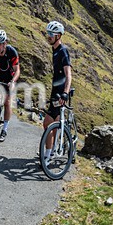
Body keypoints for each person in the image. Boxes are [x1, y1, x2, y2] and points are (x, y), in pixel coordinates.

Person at [42, 20, 72, 160]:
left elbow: (68, 75)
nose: (48, 36)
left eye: (51, 34)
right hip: (55, 92)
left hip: (61, 93)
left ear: (58, 36)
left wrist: (65, 92)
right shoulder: (54, 50)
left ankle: (51, 154)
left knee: (52, 124)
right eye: (47, 33)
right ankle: (49, 153)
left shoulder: (63, 51)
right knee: (48, 124)